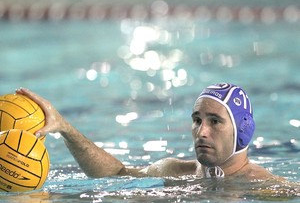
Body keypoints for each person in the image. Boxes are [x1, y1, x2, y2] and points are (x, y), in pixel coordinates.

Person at [16, 82, 285, 181]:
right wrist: (64, 127)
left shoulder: (264, 186)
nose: (201, 132)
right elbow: (116, 173)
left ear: (243, 132)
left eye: (215, 121)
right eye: (196, 120)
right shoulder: (175, 170)